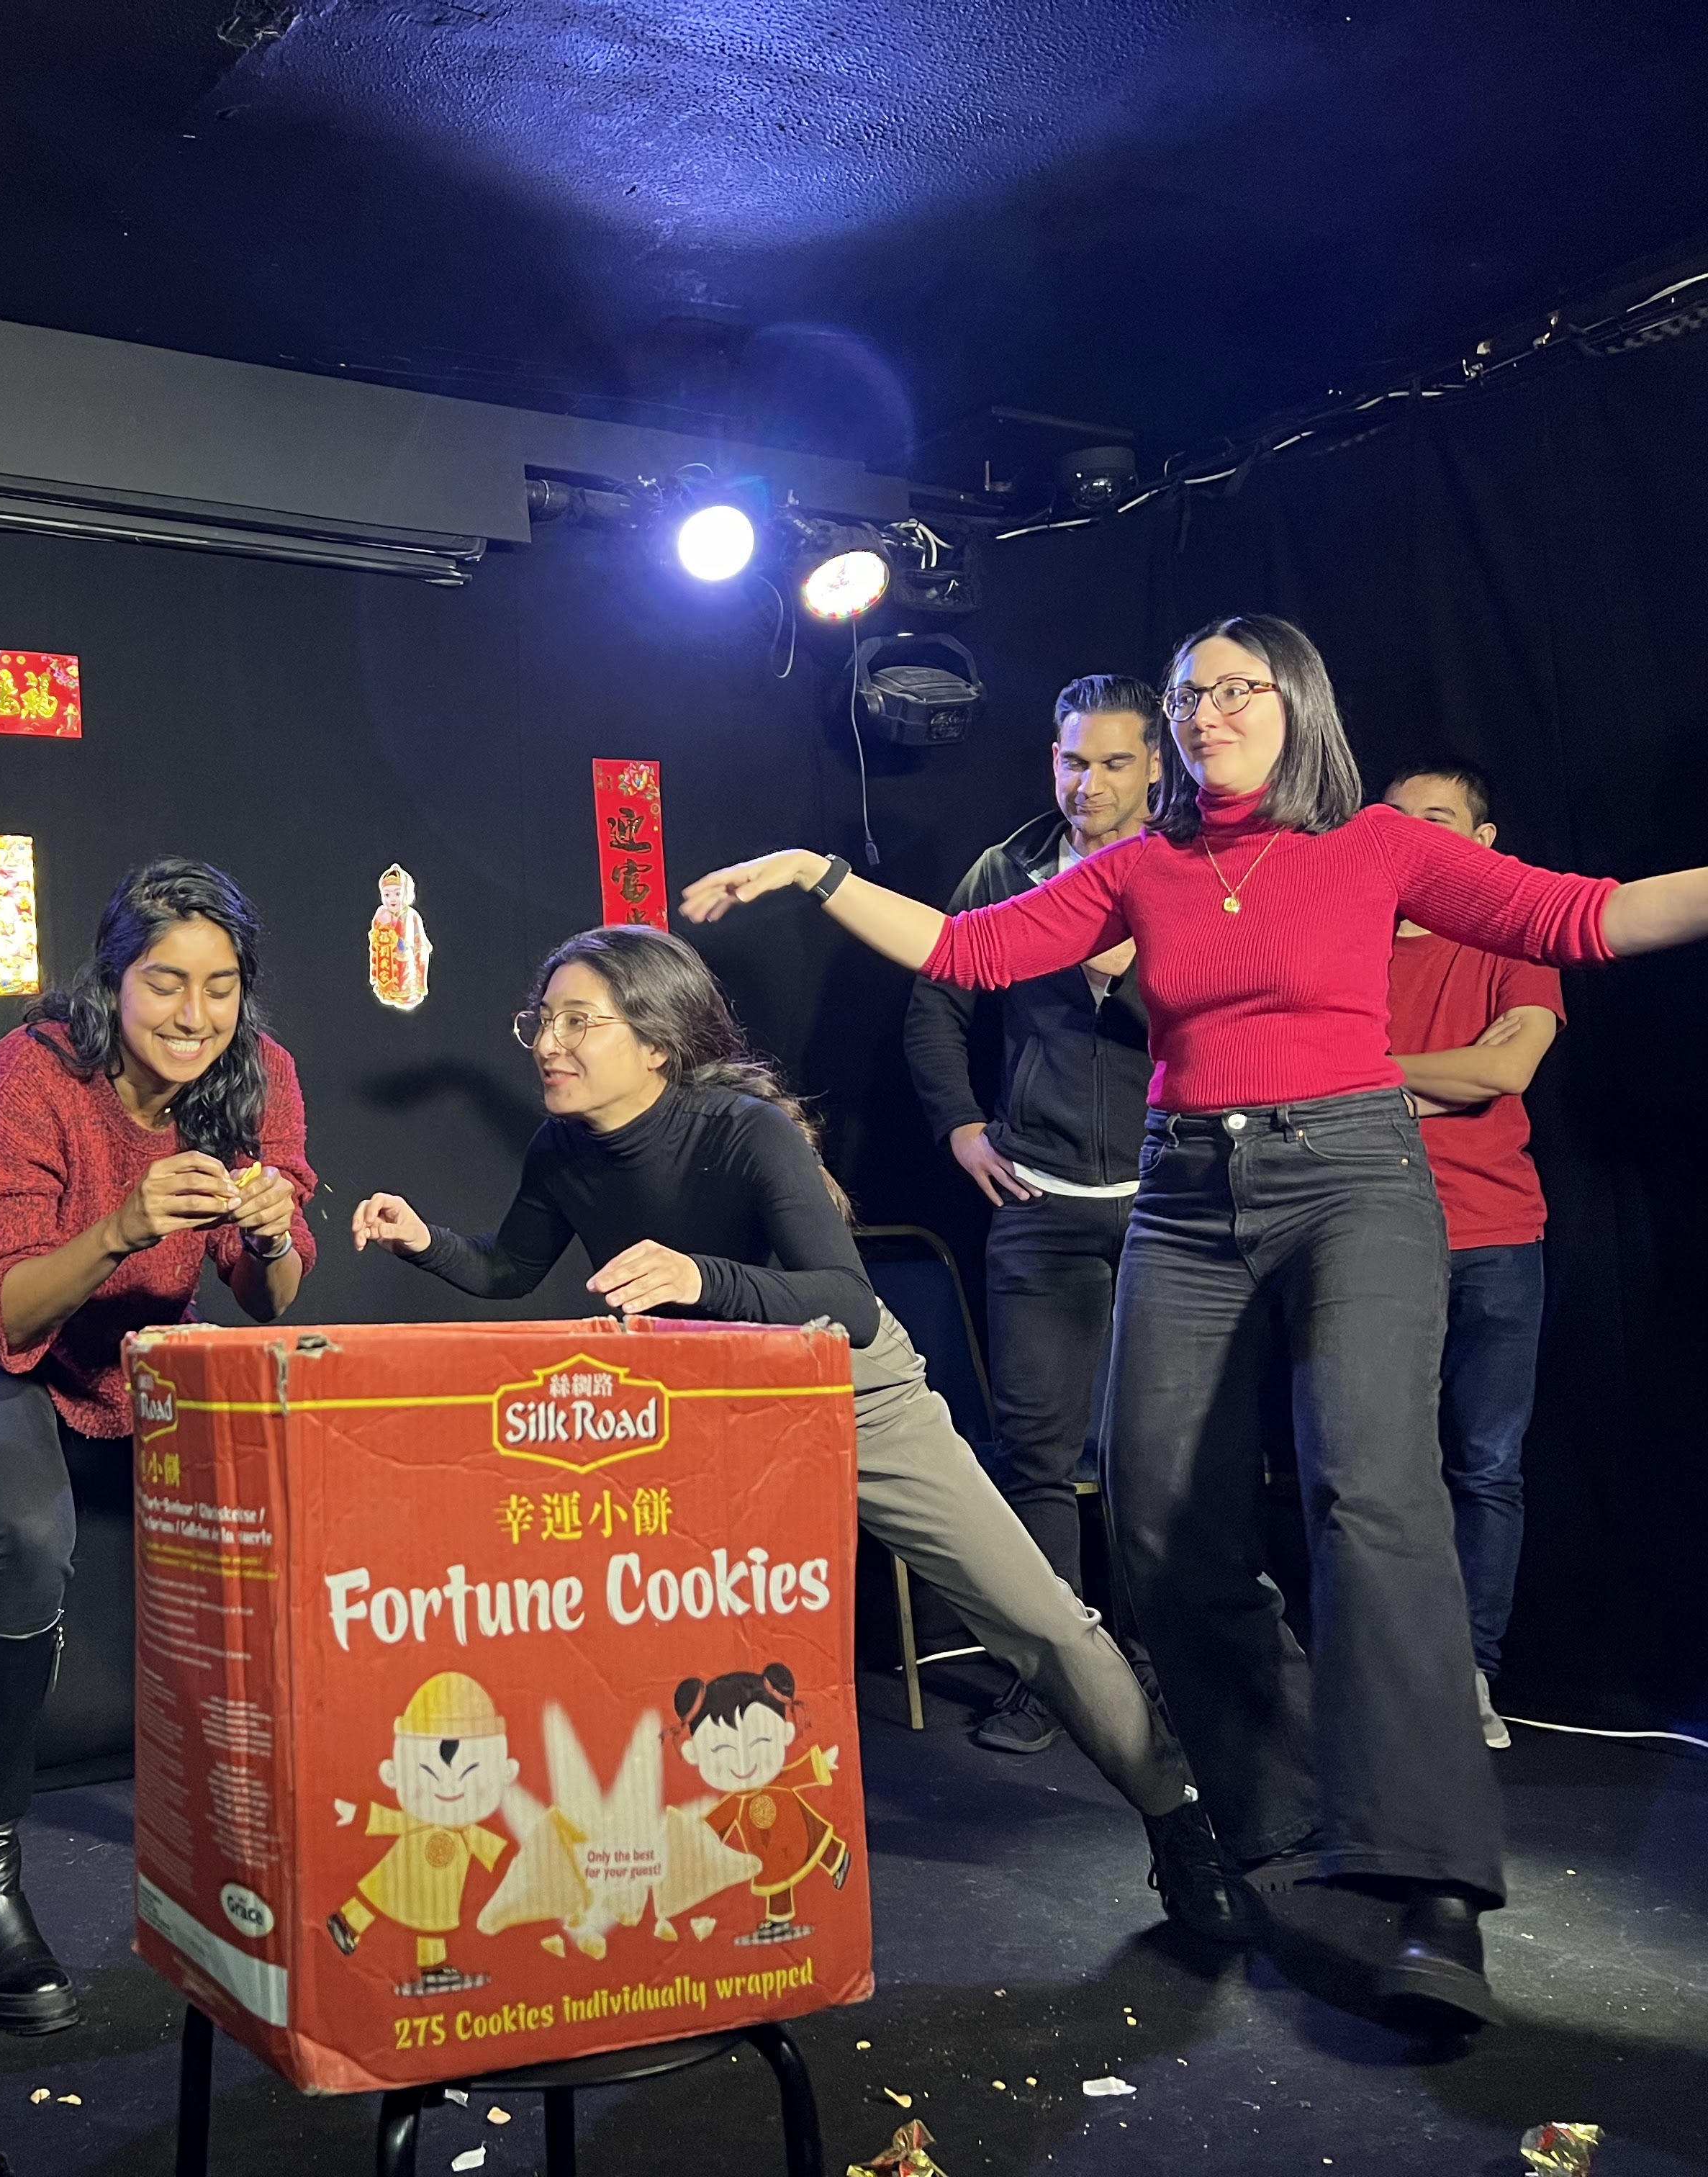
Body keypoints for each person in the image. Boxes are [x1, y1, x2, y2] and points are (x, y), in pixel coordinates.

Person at [682, 612, 1708, 2032]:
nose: (1209, 711)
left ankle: (1433, 1886)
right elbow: (969, 951)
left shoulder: (1377, 849)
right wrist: (818, 871)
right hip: (1188, 1190)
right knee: (1159, 1522)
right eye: (1189, 694)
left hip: (1353, 1170)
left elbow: (1591, 915)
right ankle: (1282, 1818)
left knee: (1374, 1493)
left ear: (1296, 704)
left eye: (1237, 689)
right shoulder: (1141, 866)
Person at [350, 923, 1252, 1947]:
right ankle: (665, 1888)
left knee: (1037, 1617)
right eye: (541, 1020)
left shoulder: (739, 1129)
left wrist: (700, 1279)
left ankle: (1181, 1820)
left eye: (576, 1021)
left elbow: (846, 1302)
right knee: (656, 1648)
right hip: (706, 1412)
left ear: (656, 1043)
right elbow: (510, 1269)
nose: (548, 1042)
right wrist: (427, 1244)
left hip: (848, 1390)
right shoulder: (562, 1146)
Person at [0, 857, 316, 2033]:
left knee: (267, 1526)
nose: (194, 1017)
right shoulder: (32, 1073)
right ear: (114, 979)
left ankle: (253, 1840)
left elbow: (272, 1299)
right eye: (165, 984)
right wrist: (126, 1224)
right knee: (29, 1540)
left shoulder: (260, 1075)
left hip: (137, 1344)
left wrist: (273, 1229)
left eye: (221, 988)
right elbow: (0, 1307)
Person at [902, 674, 1161, 1756]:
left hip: (1170, 1206)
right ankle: (1059, 1680)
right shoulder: (1007, 872)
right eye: (1071, 761)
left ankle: (1160, 1676)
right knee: (1037, 1454)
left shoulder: (1193, 870)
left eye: (1112, 763)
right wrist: (964, 1128)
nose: (1087, 784)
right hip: (1039, 1203)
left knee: (1163, 1458)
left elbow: (1238, 1013)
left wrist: (1134, 971)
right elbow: (934, 1003)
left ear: (1158, 767)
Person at [1381, 760, 1563, 1752]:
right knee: (1378, 1468)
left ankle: (1471, 1679)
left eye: (1438, 820)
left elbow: (1505, 1069)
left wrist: (1368, 1074)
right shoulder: (1345, 939)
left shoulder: (1512, 938)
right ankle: (1390, 1680)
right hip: (1373, 1238)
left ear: (1482, 843)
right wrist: (1430, 1082)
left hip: (1496, 1238)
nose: (1412, 835)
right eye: (1396, 819)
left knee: (1485, 1467)